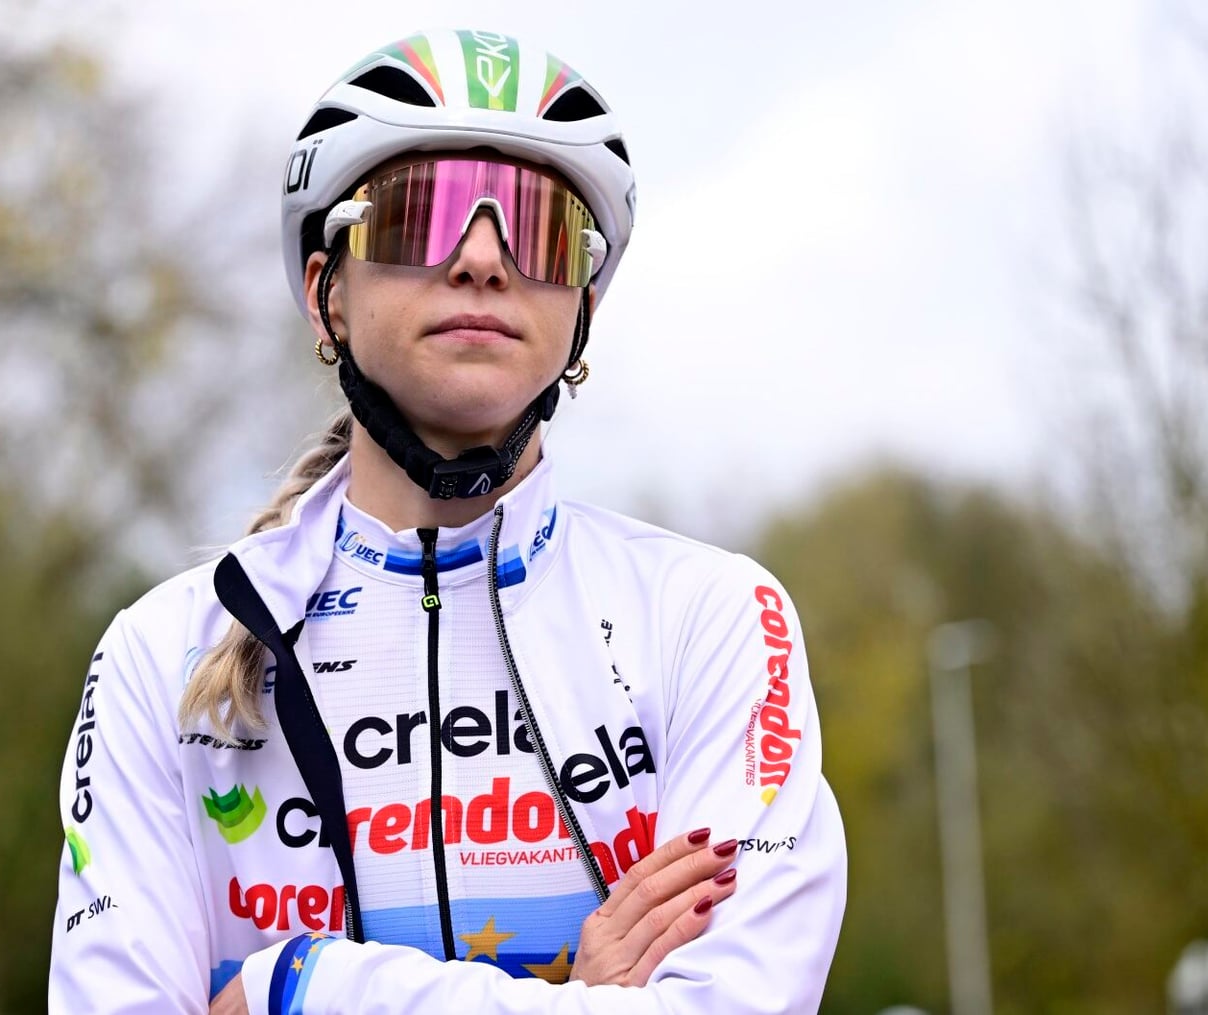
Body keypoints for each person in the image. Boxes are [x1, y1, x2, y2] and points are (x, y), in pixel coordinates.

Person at [48, 29, 846, 1014]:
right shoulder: (159, 656)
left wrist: (300, 985)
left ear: (583, 311)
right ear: (327, 296)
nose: (479, 258)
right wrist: (581, 999)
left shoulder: (711, 619)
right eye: (416, 215)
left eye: (538, 228)